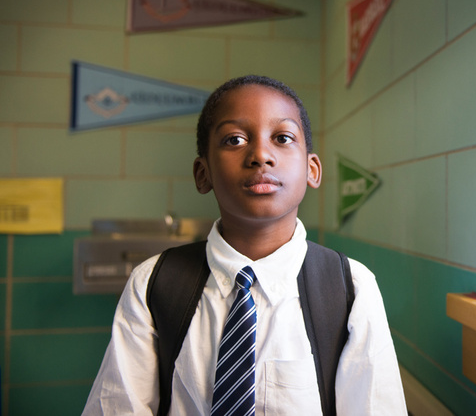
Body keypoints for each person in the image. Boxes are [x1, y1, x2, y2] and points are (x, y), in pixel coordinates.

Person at [83, 75, 407, 415]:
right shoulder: (152, 284)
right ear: (202, 173)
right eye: (234, 140)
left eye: (282, 138)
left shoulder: (351, 289)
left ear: (312, 170)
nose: (261, 155)